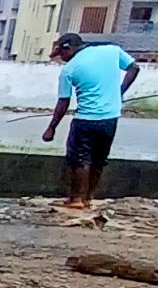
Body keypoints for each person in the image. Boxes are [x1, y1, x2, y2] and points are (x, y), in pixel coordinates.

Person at [42, 32, 140, 210]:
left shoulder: (69, 70)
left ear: (68, 48)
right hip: (110, 119)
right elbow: (134, 68)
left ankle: (75, 200)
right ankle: (88, 198)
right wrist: (120, 91)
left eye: (61, 54)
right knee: (98, 160)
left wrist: (51, 128)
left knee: (78, 160)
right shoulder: (112, 51)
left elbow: (63, 102)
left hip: (85, 120)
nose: (61, 59)